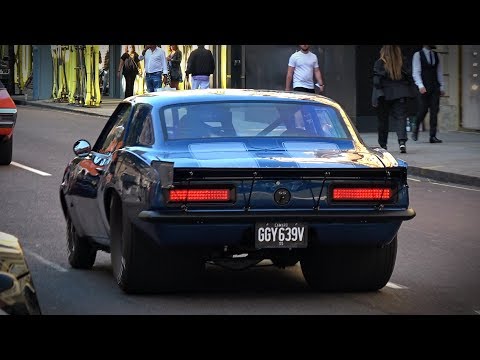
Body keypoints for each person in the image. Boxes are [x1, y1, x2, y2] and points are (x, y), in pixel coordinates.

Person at [372, 45, 414, 153]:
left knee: (383, 121)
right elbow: (409, 77)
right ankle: (402, 142)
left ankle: (383, 145)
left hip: (384, 94)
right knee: (401, 118)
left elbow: (376, 81)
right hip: (400, 93)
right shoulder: (402, 61)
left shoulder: (380, 63)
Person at [411, 45, 444, 143]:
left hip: (435, 87)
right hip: (424, 87)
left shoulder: (437, 55)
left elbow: (439, 72)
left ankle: (432, 136)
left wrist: (442, 86)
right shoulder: (417, 55)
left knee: (434, 111)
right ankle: (416, 127)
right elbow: (416, 72)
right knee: (423, 110)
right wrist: (420, 85)